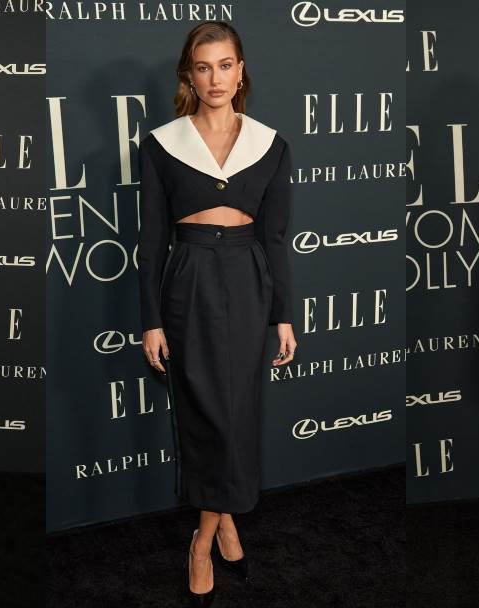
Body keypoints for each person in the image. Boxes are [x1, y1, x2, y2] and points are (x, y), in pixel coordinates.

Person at [138, 21, 296, 607]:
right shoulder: (162, 145)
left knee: (237, 410)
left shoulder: (271, 145)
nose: (215, 79)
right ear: (189, 74)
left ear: (241, 70)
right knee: (203, 410)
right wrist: (151, 319)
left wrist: (283, 314)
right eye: (203, 68)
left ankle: (205, 534)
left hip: (248, 278)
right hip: (189, 278)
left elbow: (276, 238)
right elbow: (151, 241)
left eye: (225, 65)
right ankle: (218, 529)